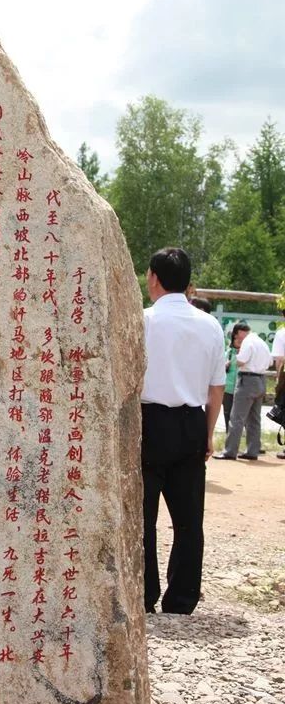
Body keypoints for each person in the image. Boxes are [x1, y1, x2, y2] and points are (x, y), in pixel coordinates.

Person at [141, 247, 225, 615]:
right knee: (189, 520)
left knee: (141, 517)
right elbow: (216, 386)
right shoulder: (210, 325)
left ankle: (143, 592)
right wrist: (207, 433)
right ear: (188, 282)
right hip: (191, 421)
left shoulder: (142, 320)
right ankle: (182, 598)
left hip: (147, 424)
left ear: (154, 278)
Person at [214, 321, 271, 461]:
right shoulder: (261, 342)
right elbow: (270, 363)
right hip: (261, 380)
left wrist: (237, 357)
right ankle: (253, 450)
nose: (237, 339)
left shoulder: (248, 342)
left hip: (247, 380)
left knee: (237, 418)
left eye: (236, 335)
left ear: (240, 332)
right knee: (254, 419)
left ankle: (230, 451)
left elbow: (241, 361)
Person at [222, 326, 239, 431]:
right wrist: (225, 365)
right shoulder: (228, 352)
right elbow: (219, 368)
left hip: (240, 387)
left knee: (239, 412)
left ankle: (238, 431)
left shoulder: (245, 351)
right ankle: (228, 431)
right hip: (228, 387)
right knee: (227, 411)